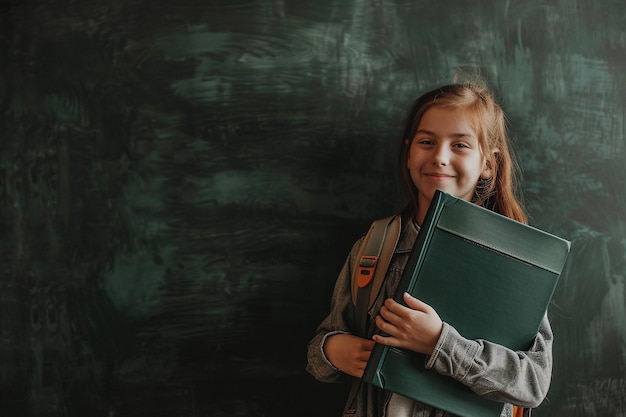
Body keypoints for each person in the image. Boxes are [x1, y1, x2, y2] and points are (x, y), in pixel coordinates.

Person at [306, 82, 552, 417]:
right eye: (427, 142)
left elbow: (532, 383)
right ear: (409, 153)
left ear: (488, 165)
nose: (439, 156)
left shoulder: (516, 263)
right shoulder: (373, 248)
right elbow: (320, 356)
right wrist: (333, 349)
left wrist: (440, 343)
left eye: (460, 145)